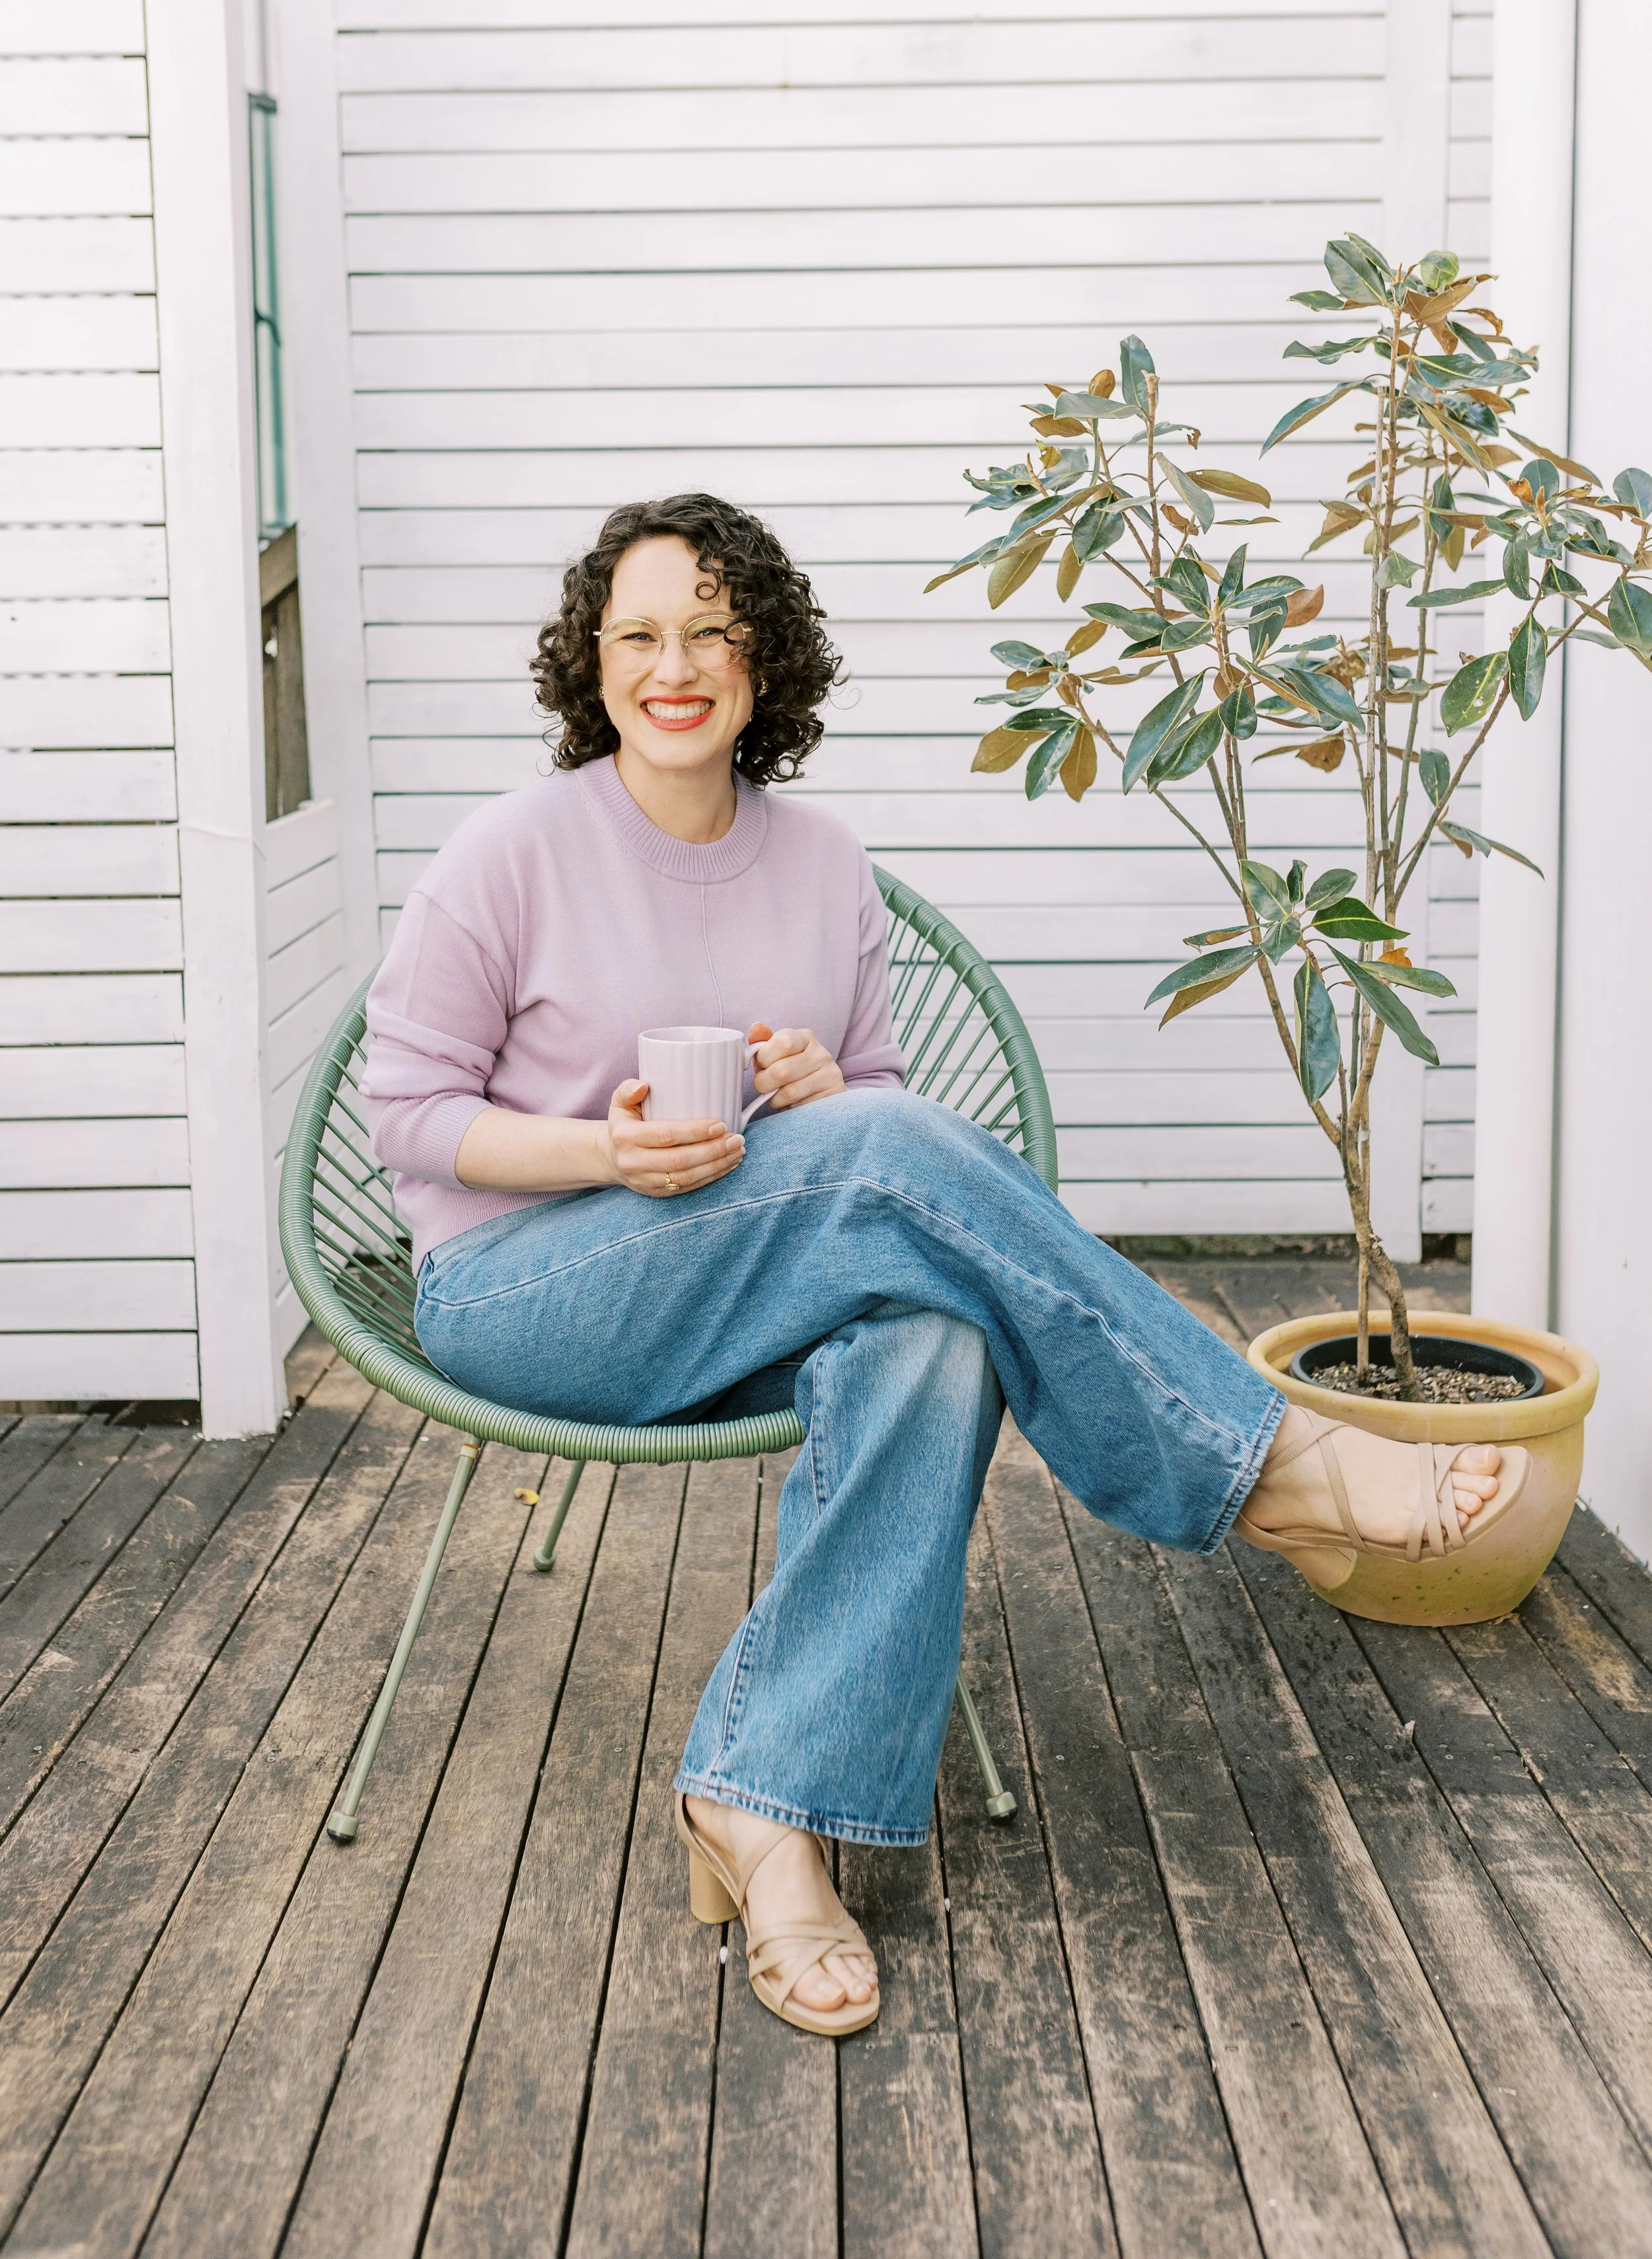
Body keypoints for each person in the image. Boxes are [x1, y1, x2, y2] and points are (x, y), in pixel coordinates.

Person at [361, 493, 1523, 2041]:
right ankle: (1269, 1461)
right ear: (592, 663)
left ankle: (765, 1817)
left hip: (749, 1273)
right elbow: (412, 1118)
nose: (674, 664)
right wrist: (606, 1155)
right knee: (896, 1159)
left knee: (934, 1342)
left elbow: (876, 1110)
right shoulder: (510, 849)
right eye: (638, 634)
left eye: (711, 628)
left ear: (765, 659)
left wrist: (818, 1106)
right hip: (525, 1288)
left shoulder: (823, 860)